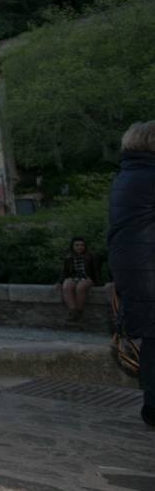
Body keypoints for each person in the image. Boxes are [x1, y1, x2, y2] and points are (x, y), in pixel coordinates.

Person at [107, 121, 155, 428]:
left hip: (135, 270)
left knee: (152, 339)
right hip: (148, 267)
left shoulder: (128, 176)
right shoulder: (149, 175)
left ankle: (151, 406)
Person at [59, 237, 102, 323]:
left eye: (82, 245)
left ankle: (79, 311)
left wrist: (99, 283)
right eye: (77, 245)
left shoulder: (92, 256)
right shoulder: (68, 257)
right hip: (74, 277)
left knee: (80, 287)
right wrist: (59, 282)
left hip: (87, 277)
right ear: (73, 246)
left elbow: (96, 270)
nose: (80, 247)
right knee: (67, 286)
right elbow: (65, 271)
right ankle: (73, 311)